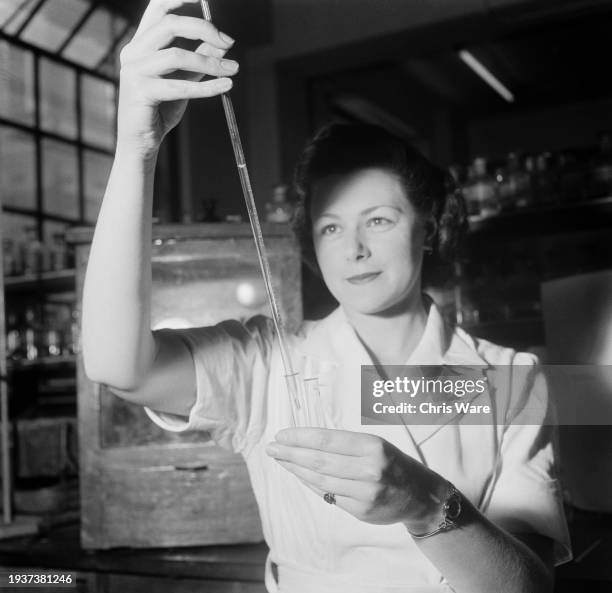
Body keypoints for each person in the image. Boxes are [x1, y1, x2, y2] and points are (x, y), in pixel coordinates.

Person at [82, 1, 571, 591]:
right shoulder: (268, 361)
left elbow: (528, 585)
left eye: (381, 220)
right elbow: (117, 367)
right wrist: (137, 146)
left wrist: (426, 503)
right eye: (332, 227)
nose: (354, 249)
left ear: (430, 227)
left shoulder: (510, 377)